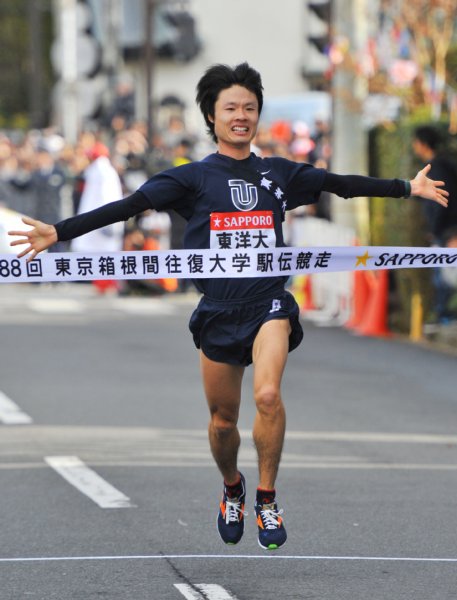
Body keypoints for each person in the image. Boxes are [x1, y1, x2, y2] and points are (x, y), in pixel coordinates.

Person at [9, 63, 448, 551]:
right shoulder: (191, 178)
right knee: (222, 422)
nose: (241, 116)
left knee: (267, 397)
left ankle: (266, 497)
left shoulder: (278, 172)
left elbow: (339, 183)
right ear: (212, 118)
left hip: (268, 305)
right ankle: (232, 488)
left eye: (250, 108)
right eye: (231, 108)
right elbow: (128, 206)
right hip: (218, 310)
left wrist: (407, 188)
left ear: (257, 115)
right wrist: (59, 231)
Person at [412, 125, 457, 321]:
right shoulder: (443, 165)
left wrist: (440, 230)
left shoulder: (438, 168)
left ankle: (445, 318)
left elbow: (445, 201)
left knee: (444, 279)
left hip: (448, 232)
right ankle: (443, 317)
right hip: (446, 231)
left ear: (422, 144)